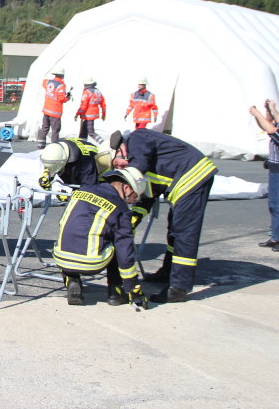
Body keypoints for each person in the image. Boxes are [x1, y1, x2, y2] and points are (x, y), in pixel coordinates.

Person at [110, 128, 218, 303]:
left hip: (193, 176)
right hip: (184, 181)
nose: (121, 166)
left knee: (184, 233)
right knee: (174, 230)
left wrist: (125, 181)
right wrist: (132, 218)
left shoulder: (137, 138)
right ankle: (168, 272)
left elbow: (139, 167)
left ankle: (178, 288)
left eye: (119, 161)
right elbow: (148, 197)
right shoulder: (144, 163)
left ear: (120, 148)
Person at [53, 167, 149, 309]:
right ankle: (115, 293)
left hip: (62, 257)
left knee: (71, 236)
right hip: (93, 263)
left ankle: (72, 280)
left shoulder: (81, 192)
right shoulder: (121, 210)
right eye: (134, 197)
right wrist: (134, 289)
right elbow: (125, 253)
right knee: (118, 244)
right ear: (127, 188)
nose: (131, 202)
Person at [249, 100, 279, 251]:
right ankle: (275, 237)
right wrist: (269, 112)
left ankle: (277, 237)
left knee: (277, 205)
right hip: (275, 169)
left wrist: (258, 114)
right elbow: (267, 125)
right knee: (274, 204)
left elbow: (271, 130)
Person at [39, 138, 112, 191]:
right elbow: (53, 161)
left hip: (98, 169)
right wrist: (46, 174)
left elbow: (89, 189)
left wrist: (70, 197)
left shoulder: (85, 164)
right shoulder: (57, 148)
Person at [37, 67, 70, 149]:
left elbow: (44, 83)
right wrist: (68, 97)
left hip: (46, 110)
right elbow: (62, 98)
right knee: (55, 130)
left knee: (44, 128)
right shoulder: (61, 86)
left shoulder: (48, 82)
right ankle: (54, 147)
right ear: (62, 76)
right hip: (55, 112)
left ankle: (40, 145)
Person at [74, 76, 106, 144]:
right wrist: (104, 114)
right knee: (83, 131)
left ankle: (102, 142)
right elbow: (103, 104)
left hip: (88, 115)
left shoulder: (87, 92)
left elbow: (83, 106)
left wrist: (77, 113)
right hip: (93, 115)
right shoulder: (97, 91)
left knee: (90, 132)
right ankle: (82, 143)